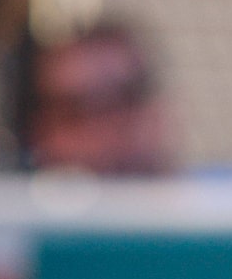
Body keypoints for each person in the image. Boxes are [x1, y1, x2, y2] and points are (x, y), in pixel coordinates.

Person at [29, 20, 175, 177]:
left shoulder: (201, 194)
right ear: (39, 127)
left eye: (123, 98)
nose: (102, 129)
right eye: (76, 111)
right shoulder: (7, 194)